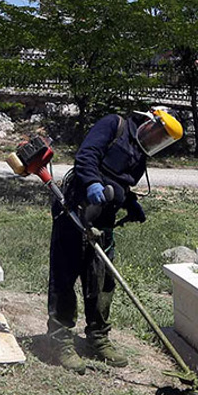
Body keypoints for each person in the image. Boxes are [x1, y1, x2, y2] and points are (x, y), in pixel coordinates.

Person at [48, 107, 183, 373]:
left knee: (102, 279)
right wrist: (92, 183)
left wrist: (130, 201)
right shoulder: (114, 125)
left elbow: (121, 180)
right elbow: (86, 156)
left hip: (104, 217)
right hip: (76, 208)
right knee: (64, 277)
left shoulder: (141, 151)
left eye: (163, 141)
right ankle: (60, 341)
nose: (157, 142)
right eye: (158, 134)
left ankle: (98, 337)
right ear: (149, 121)